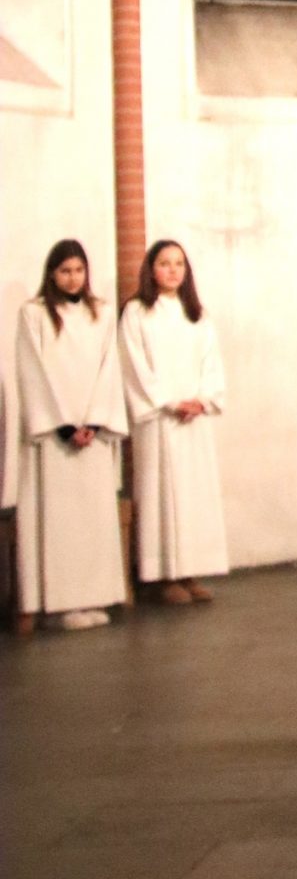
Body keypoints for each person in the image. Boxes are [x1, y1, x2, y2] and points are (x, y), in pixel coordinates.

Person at [14, 239, 128, 628]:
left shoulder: (101, 313)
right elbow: (32, 370)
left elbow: (109, 368)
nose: (73, 278)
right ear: (51, 273)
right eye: (65, 271)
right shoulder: (34, 314)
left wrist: (93, 423)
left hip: (91, 433)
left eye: (79, 270)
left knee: (91, 519)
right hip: (54, 435)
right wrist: (62, 425)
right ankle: (58, 606)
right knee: (58, 521)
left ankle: (92, 596)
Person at [120, 239, 229, 605]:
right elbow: (134, 364)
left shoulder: (196, 313)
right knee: (162, 495)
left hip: (193, 419)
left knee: (193, 495)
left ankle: (190, 572)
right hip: (159, 419)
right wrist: (169, 402)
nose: (172, 270)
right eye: (164, 263)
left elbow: (211, 363)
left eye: (179, 264)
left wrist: (202, 399)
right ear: (151, 269)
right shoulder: (137, 312)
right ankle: (163, 576)